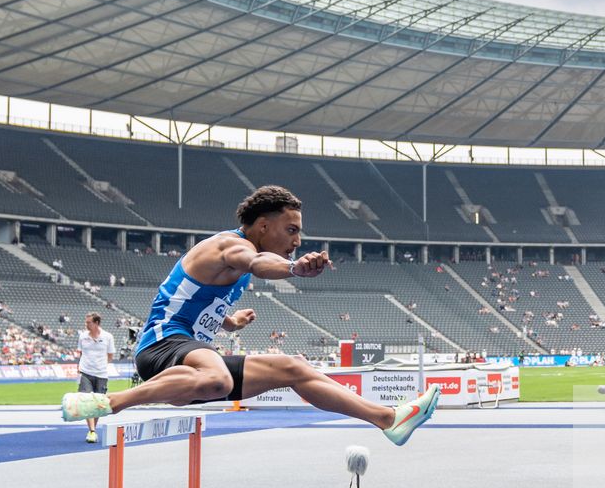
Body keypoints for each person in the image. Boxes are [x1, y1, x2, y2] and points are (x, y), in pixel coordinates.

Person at [61, 186, 439, 444]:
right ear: (263, 225)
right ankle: (108, 403)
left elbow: (199, 302)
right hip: (161, 345)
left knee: (293, 367)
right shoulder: (229, 246)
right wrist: (294, 269)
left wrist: (229, 321)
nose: (296, 241)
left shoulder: (232, 265)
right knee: (217, 377)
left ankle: (388, 419)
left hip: (189, 359)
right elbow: (257, 261)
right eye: (291, 230)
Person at [75, 313, 117, 443]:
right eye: (86, 322)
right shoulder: (83, 336)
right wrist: (80, 366)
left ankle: (93, 428)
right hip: (85, 372)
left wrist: (102, 365)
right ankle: (92, 431)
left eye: (89, 322)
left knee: (98, 404)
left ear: (97, 323)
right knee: (87, 401)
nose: (86, 325)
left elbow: (110, 355)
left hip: (101, 374)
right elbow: (80, 353)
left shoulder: (108, 337)